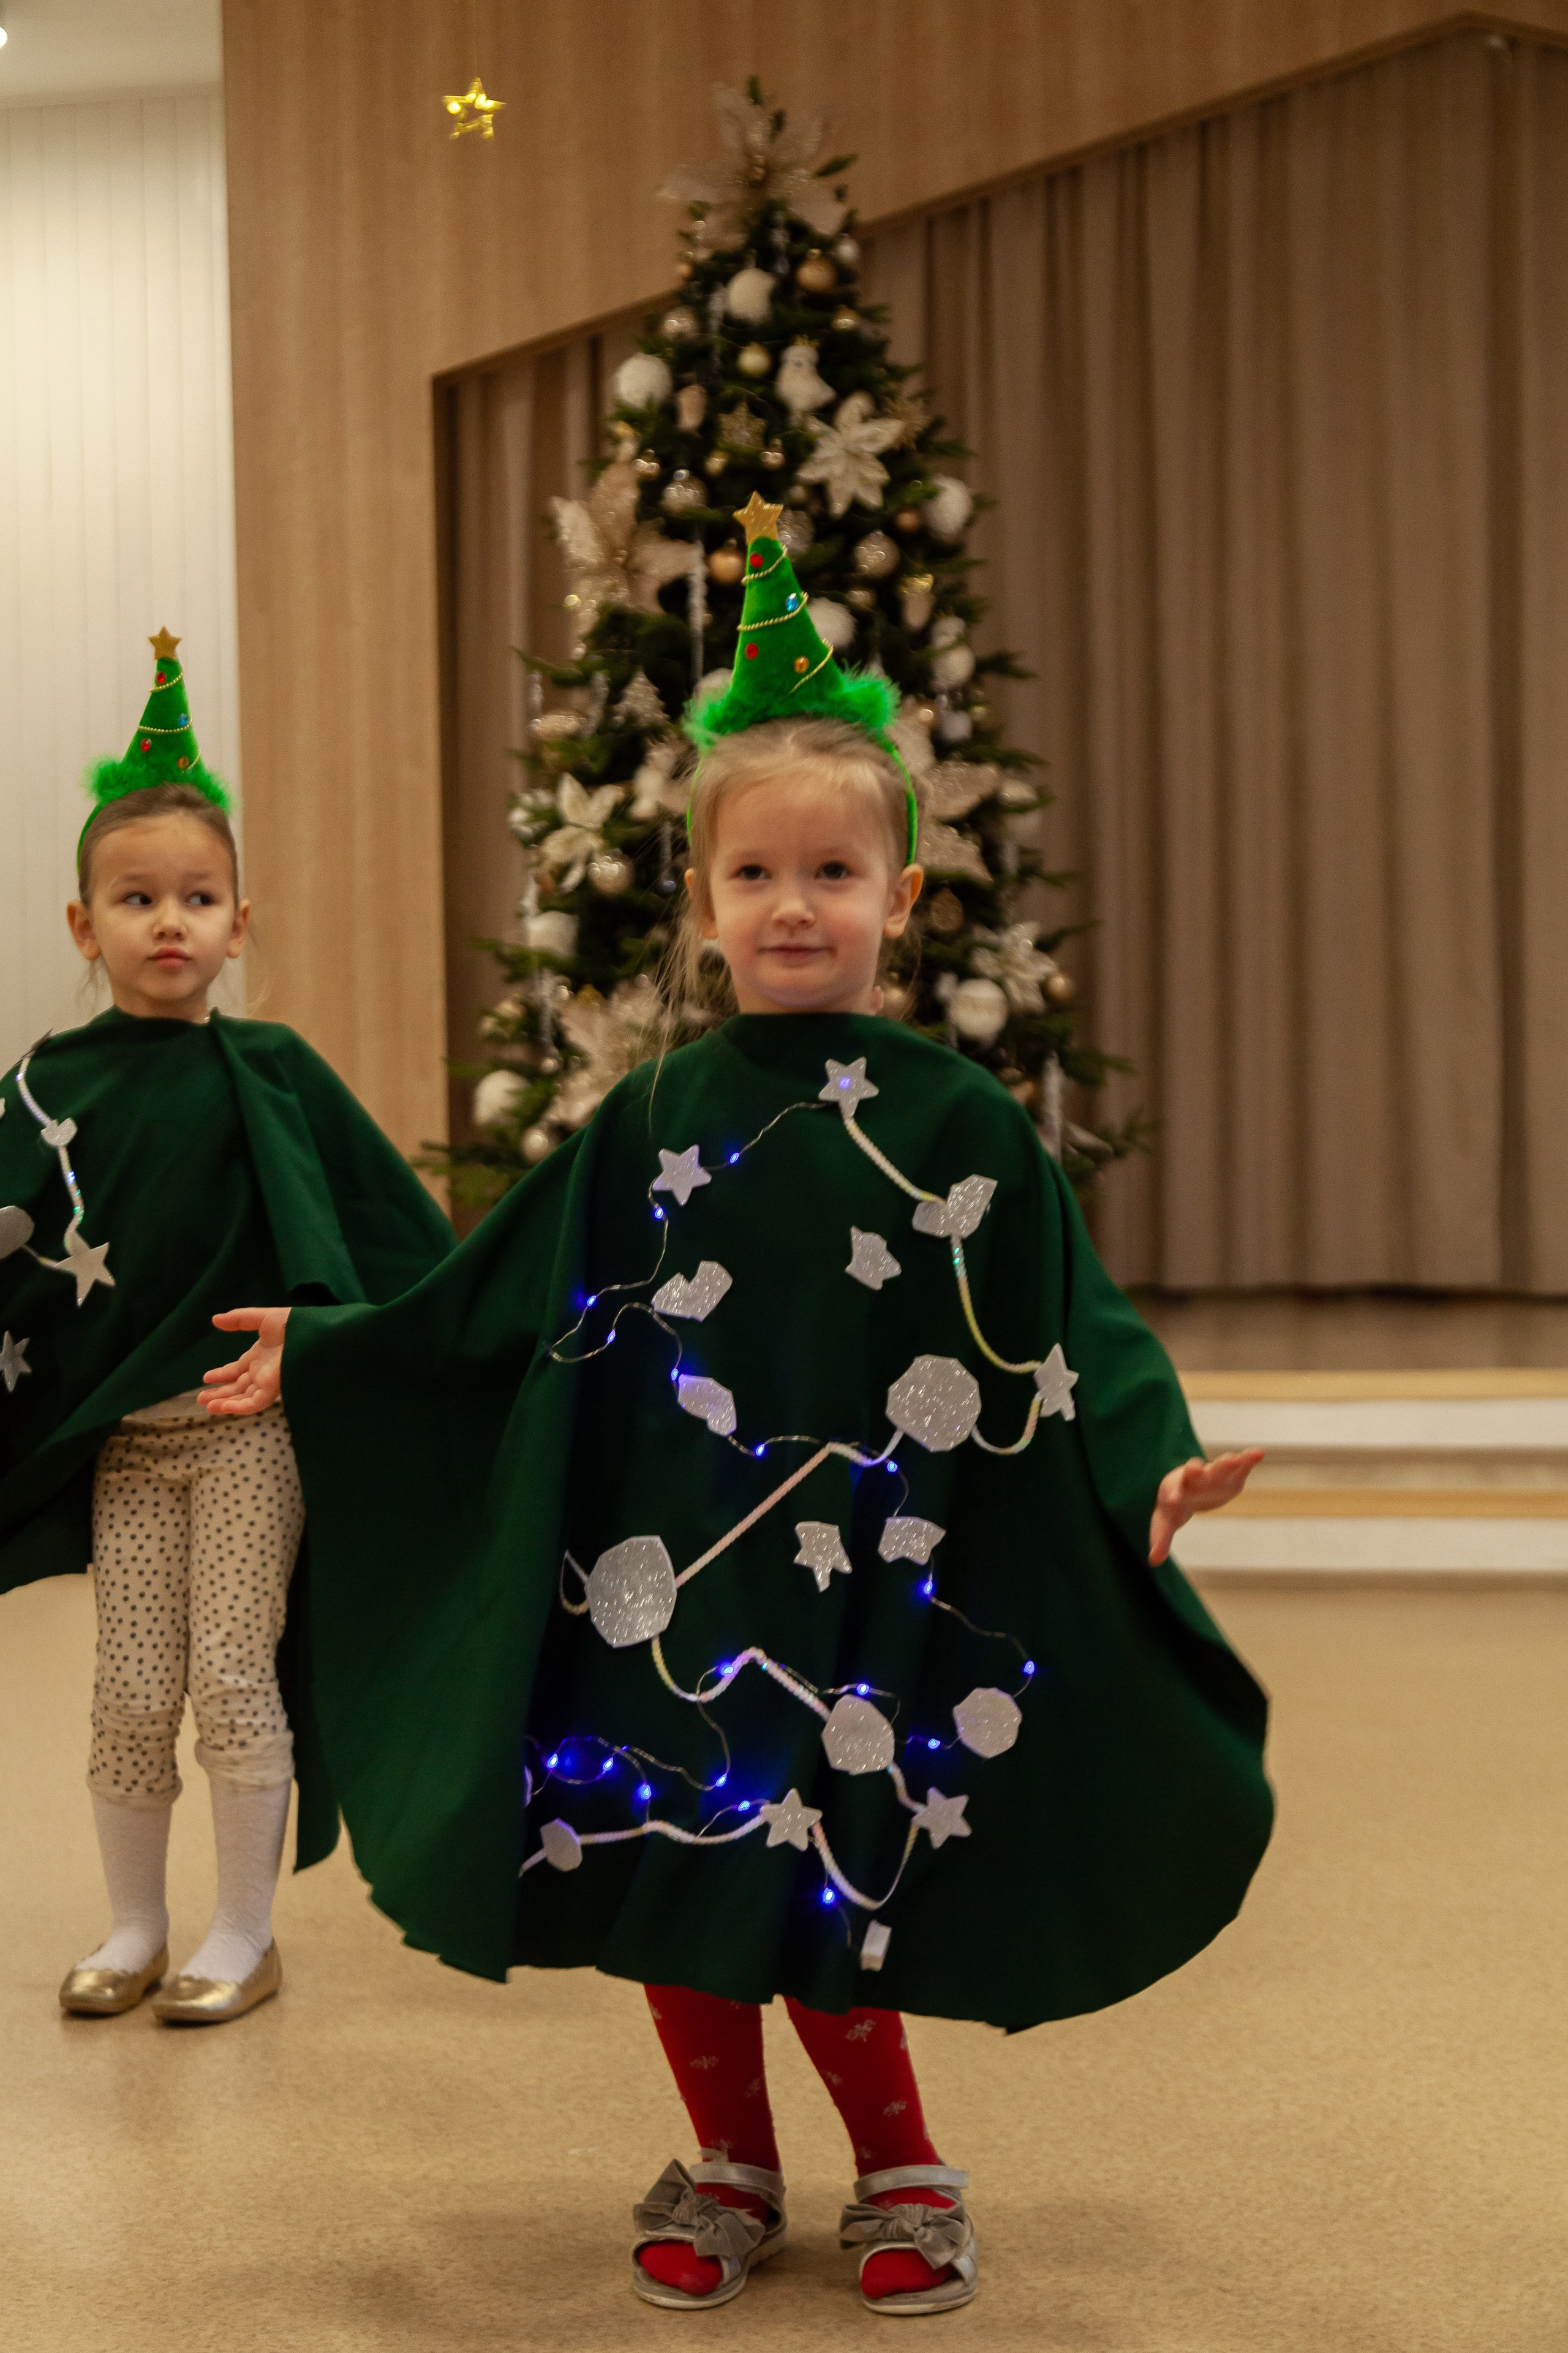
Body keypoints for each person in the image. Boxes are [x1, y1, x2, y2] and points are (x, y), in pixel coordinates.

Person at [202, 501, 1270, 2311]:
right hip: (670, 1570)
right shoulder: (652, 1115)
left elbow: (1071, 1318)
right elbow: (502, 1287)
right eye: (757, 875)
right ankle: (725, 2160)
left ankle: (904, 2166)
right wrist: (338, 1347)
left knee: (836, 1860)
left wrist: (1153, 1453)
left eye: (833, 875)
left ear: (903, 900)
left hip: (867, 1587)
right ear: (699, 901)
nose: (794, 906)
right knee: (662, 1848)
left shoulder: (957, 1123)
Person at [0, 632, 452, 2026]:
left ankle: (242, 1935)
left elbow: (385, 1238)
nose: (170, 922)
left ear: (242, 922)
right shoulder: (40, 1091)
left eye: (199, 897)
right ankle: (137, 1921)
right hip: (131, 1450)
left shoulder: (270, 1070)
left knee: (228, 1677)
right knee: (130, 1690)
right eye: (136, 899)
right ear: (84, 927)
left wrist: (335, 1350)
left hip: (250, 1429)